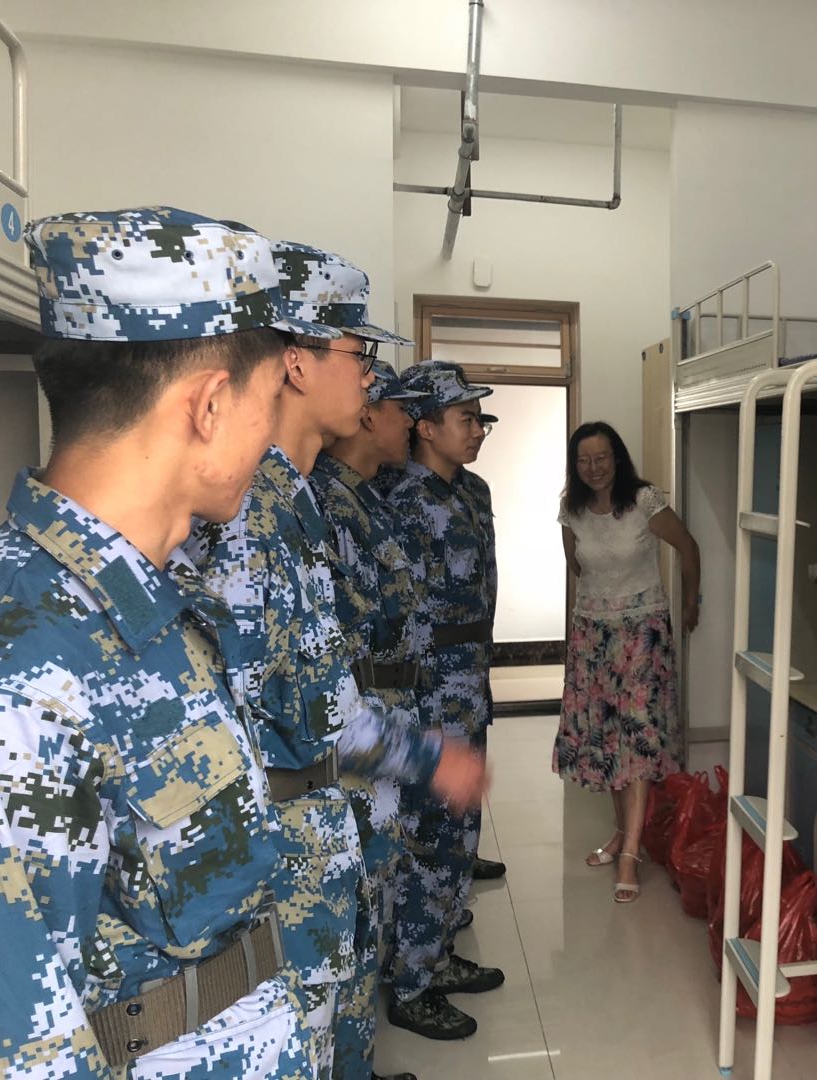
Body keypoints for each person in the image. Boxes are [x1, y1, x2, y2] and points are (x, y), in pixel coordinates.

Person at [0, 207, 325, 1078]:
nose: (271, 433)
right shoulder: (29, 660)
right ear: (211, 406)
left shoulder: (151, 597)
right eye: (268, 399)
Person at [186, 247, 489, 1079]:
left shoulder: (292, 495)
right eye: (358, 353)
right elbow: (296, 703)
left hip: (336, 808)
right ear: (295, 363)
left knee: (343, 1013)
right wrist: (428, 757)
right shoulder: (249, 508)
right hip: (293, 825)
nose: (371, 376)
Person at [308, 360, 428, 1047]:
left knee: (378, 886)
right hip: (357, 727)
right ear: (367, 414)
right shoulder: (324, 502)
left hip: (385, 715)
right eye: (399, 408)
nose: (409, 422)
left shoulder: (366, 497)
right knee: (360, 897)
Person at [385, 360, 506, 1039]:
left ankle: (439, 953)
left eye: (481, 418)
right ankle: (411, 984)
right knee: (428, 834)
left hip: (469, 677)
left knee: (459, 826)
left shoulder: (473, 490)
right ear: (425, 426)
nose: (478, 429)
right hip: (429, 687)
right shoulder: (401, 499)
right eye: (466, 418)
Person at [553, 420, 700, 903]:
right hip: (592, 635)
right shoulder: (571, 509)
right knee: (606, 737)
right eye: (584, 460)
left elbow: (688, 547)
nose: (593, 467)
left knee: (635, 738)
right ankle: (622, 832)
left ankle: (631, 853)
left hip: (641, 634)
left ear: (617, 458)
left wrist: (691, 603)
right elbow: (576, 567)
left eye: (601, 458)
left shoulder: (645, 501)